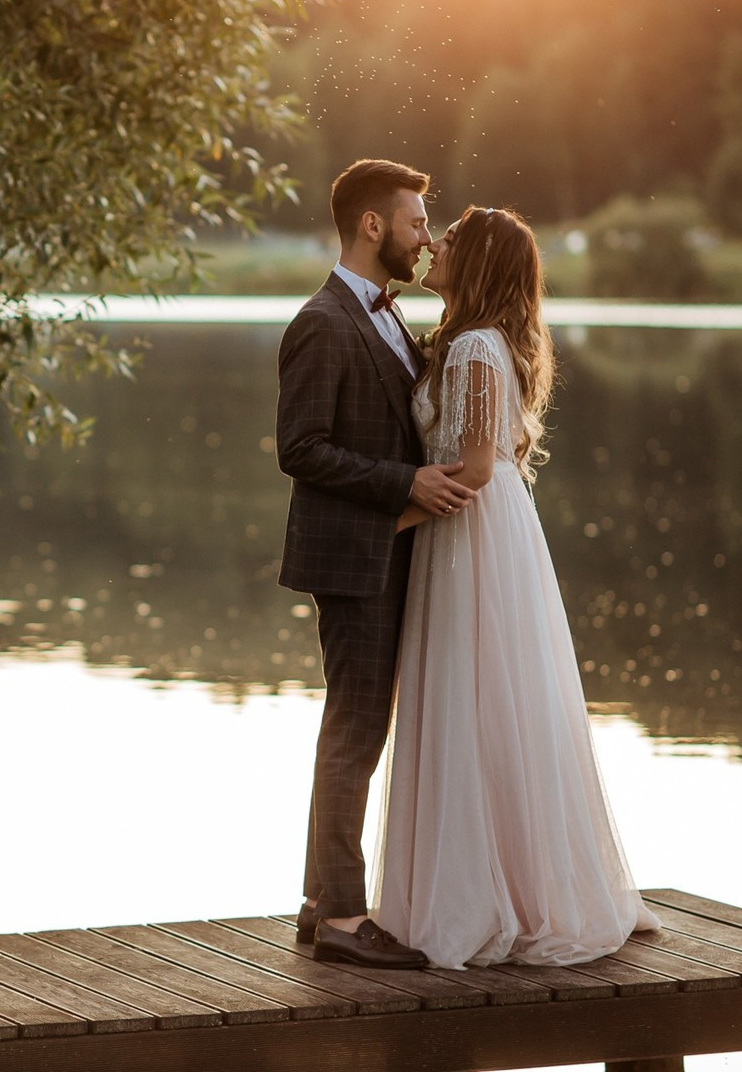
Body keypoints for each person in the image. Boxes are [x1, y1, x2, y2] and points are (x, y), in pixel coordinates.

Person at [372, 205, 659, 968]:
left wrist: (380, 526)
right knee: (493, 700)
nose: (434, 244)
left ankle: (489, 895)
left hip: (468, 532)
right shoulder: (479, 341)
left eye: (451, 240)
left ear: (480, 264)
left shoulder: (470, 347)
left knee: (473, 695)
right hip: (486, 529)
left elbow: (468, 467)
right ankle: (516, 878)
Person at [275, 159, 476, 969]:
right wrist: (407, 481)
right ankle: (345, 920)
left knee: (356, 726)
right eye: (417, 221)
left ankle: (321, 899)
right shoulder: (323, 321)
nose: (426, 235)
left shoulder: (387, 316)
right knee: (355, 730)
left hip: (385, 546)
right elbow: (301, 449)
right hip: (354, 554)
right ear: (372, 225)